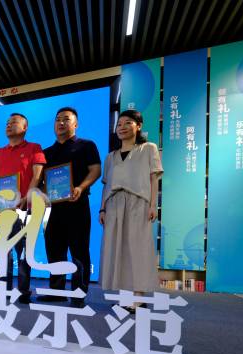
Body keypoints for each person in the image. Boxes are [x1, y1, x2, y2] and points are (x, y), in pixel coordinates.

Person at [99, 110, 163, 312]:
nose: (122, 127)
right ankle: (125, 297)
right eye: (119, 124)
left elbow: (153, 178)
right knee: (117, 249)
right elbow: (106, 186)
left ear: (139, 126)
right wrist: (102, 209)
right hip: (114, 204)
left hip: (138, 202)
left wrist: (153, 205)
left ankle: (139, 297)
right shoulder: (110, 157)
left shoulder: (148, 148)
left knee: (138, 249)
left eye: (128, 123)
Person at [39, 107, 101, 307]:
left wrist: (81, 187)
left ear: (75, 124)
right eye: (58, 119)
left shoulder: (86, 145)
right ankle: (56, 291)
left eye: (66, 119)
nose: (61, 123)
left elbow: (95, 170)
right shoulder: (46, 152)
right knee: (54, 250)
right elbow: (40, 181)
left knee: (79, 250)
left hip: (77, 205)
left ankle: (78, 293)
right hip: (52, 209)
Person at [0, 113, 46, 304]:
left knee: (23, 252)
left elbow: (37, 175)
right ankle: (2, 288)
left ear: (25, 127)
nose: (9, 125)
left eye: (14, 122)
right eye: (7, 123)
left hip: (24, 208)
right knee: (1, 251)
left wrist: (27, 196)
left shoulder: (34, 148)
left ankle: (23, 290)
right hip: (0, 210)